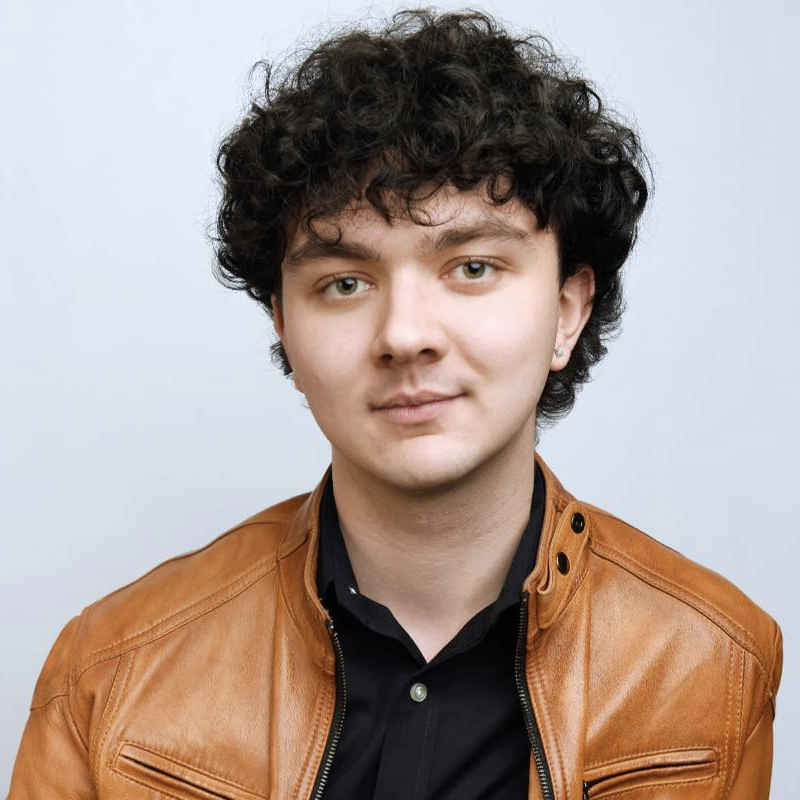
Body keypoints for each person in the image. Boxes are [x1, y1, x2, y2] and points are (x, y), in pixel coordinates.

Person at [9, 9, 782, 799]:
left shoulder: (709, 659)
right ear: (282, 320)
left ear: (568, 310)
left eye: (473, 267)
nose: (405, 335)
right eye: (345, 283)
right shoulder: (108, 671)